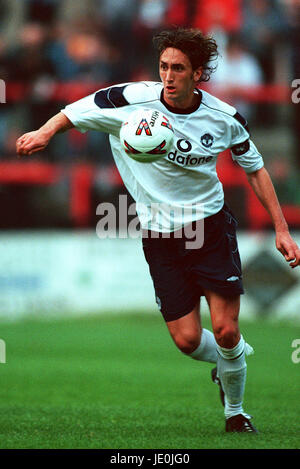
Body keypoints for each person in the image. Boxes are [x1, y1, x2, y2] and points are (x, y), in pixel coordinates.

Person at [16, 27, 300, 433]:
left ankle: (236, 413)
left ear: (197, 73)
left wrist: (281, 229)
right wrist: (44, 132)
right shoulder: (130, 100)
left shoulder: (224, 118)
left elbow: (254, 168)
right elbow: (75, 110)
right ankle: (227, 364)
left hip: (210, 228)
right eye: (164, 66)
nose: (168, 76)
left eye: (179, 68)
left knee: (225, 329)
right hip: (160, 236)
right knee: (186, 340)